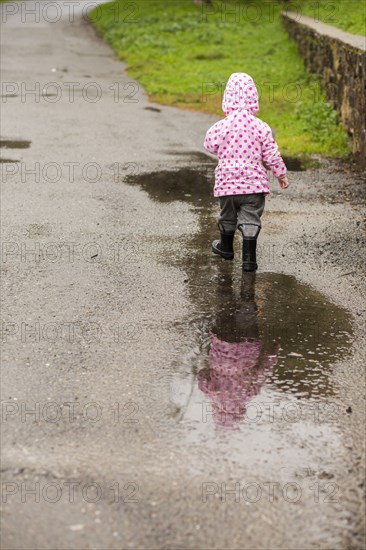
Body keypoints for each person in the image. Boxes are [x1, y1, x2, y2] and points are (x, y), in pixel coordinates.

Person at [203, 72, 289, 271]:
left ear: (227, 98)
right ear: (254, 98)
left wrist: (225, 148)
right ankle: (249, 259)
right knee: (251, 218)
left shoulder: (222, 126)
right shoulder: (261, 127)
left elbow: (208, 144)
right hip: (253, 185)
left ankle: (226, 248)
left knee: (227, 216)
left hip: (227, 185)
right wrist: (281, 174)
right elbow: (271, 154)